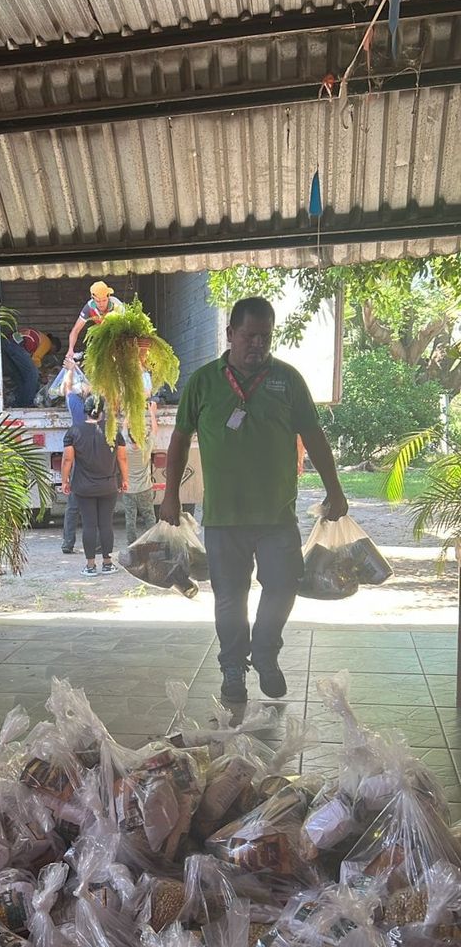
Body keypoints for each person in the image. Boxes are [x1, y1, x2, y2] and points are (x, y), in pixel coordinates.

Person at [160, 296, 348, 705]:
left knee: (282, 586)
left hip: (277, 515)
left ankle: (264, 652)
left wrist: (335, 489)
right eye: (249, 336)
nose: (257, 345)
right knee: (230, 597)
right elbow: (178, 440)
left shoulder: (287, 380)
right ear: (230, 334)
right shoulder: (204, 382)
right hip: (224, 517)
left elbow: (313, 436)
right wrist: (169, 494)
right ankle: (232, 667)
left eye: (265, 337)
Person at [61, 396, 128, 576]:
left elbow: (68, 459)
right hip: (108, 486)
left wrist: (65, 480)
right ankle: (107, 563)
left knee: (89, 525)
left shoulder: (74, 431)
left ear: (85, 410)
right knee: (106, 524)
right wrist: (125, 479)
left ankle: (90, 566)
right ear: (102, 411)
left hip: (83, 487)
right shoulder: (113, 432)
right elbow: (122, 458)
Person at [65, 280, 124, 363]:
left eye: (104, 300)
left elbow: (127, 326)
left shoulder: (117, 305)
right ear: (92, 299)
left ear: (108, 297)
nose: (101, 304)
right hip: (103, 337)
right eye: (98, 301)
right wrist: (70, 349)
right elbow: (76, 330)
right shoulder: (89, 307)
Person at [123, 427, 157, 544]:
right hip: (145, 489)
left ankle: (131, 542)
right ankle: (153, 541)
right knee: (149, 516)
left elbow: (123, 432)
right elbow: (154, 431)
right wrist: (152, 413)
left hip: (129, 490)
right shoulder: (146, 449)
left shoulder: (126, 449)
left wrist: (128, 413)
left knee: (130, 518)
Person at [1, 333, 39, 407]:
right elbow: (35, 362)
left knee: (19, 375)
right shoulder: (47, 345)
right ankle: (27, 403)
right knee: (32, 373)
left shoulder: (36, 337)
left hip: (7, 343)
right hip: (14, 345)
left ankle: (19, 402)